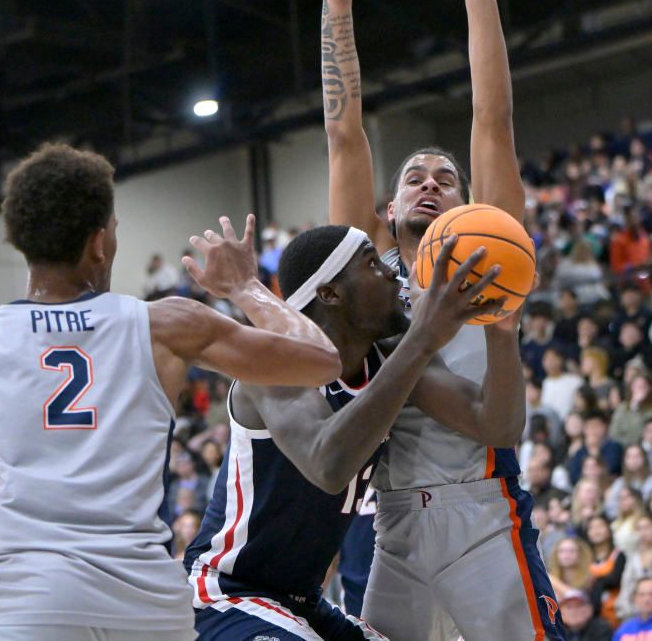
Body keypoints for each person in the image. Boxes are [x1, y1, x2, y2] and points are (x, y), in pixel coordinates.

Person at [0, 144, 343, 641]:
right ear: (98, 241)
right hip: (150, 604)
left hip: (34, 602)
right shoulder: (166, 324)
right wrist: (244, 285)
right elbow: (322, 359)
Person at [287, 0, 562, 640]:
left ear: (471, 204)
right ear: (385, 209)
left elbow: (492, 119)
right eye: (414, 175)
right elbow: (344, 135)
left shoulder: (493, 258)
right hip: (392, 520)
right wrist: (335, 3)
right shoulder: (364, 275)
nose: (432, 181)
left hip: (482, 503)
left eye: (446, 176)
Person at [186, 227, 518, 640]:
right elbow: (328, 464)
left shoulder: (391, 359)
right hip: (229, 592)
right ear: (330, 294)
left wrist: (502, 331)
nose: (393, 274)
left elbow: (497, 425)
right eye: (372, 263)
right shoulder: (272, 364)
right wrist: (423, 338)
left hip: (303, 602)